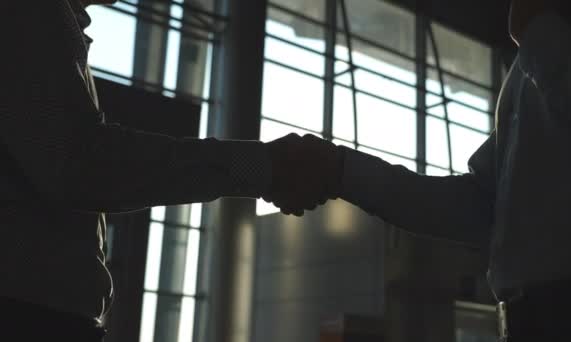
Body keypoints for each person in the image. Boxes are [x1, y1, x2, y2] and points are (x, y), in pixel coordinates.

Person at [267, 0, 571, 340]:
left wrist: (537, 33)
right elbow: (484, 205)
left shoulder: (545, 42)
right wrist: (341, 171)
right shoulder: (531, 59)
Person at [0, 0, 337, 340]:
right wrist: (263, 168)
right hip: (26, 319)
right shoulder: (28, 12)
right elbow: (81, 161)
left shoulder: (49, 22)